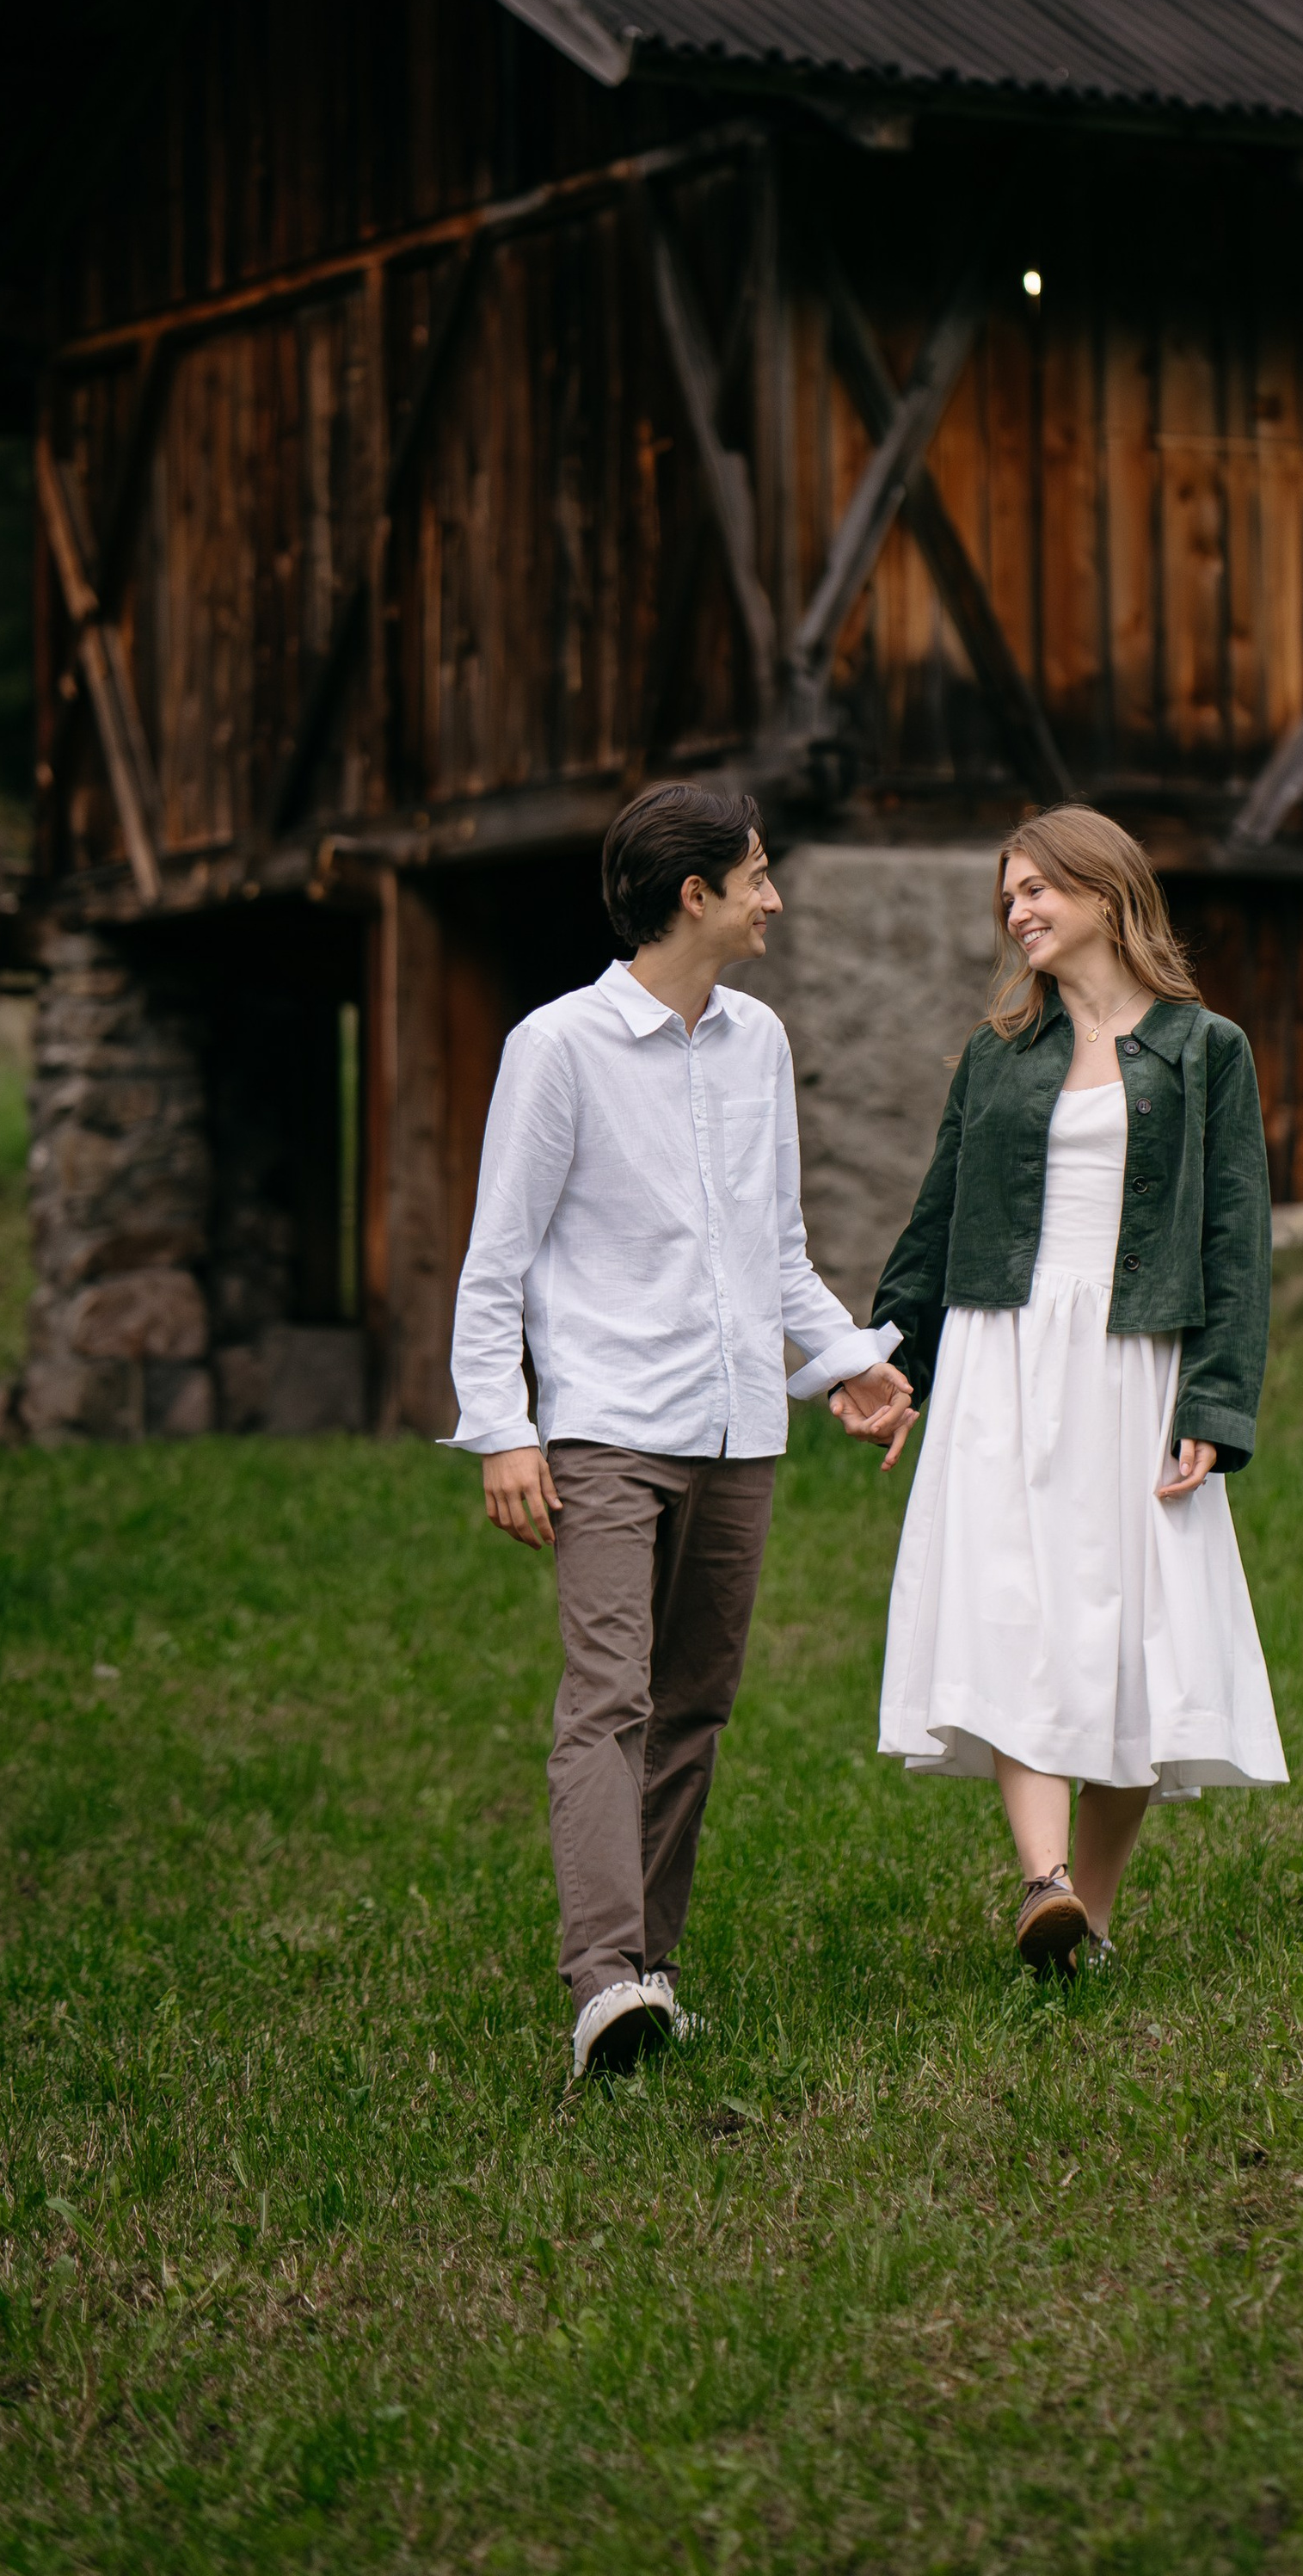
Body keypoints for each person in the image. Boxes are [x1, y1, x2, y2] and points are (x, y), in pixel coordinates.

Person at [449, 783, 914, 2081]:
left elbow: (774, 1250)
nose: (776, 897)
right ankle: (600, 1982)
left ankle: (652, 1972)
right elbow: (499, 1259)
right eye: (756, 876)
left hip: (738, 1426)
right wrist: (503, 1424)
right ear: (692, 895)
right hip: (605, 1427)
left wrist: (845, 1367)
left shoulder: (758, 1042)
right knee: (611, 1698)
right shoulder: (559, 1047)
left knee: (696, 1705)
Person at [869, 806, 1284, 1974]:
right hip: (1004, 1352)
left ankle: (1082, 1919)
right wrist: (892, 1365)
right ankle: (1040, 1879)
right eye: (1010, 897)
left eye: (1041, 889)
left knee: (1135, 1636)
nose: (1022, 912)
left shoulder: (1207, 1051)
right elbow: (936, 1221)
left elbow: (1236, 1239)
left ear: (1108, 892)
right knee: (1016, 1609)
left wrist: (1216, 1403)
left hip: (1136, 1361)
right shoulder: (998, 1054)